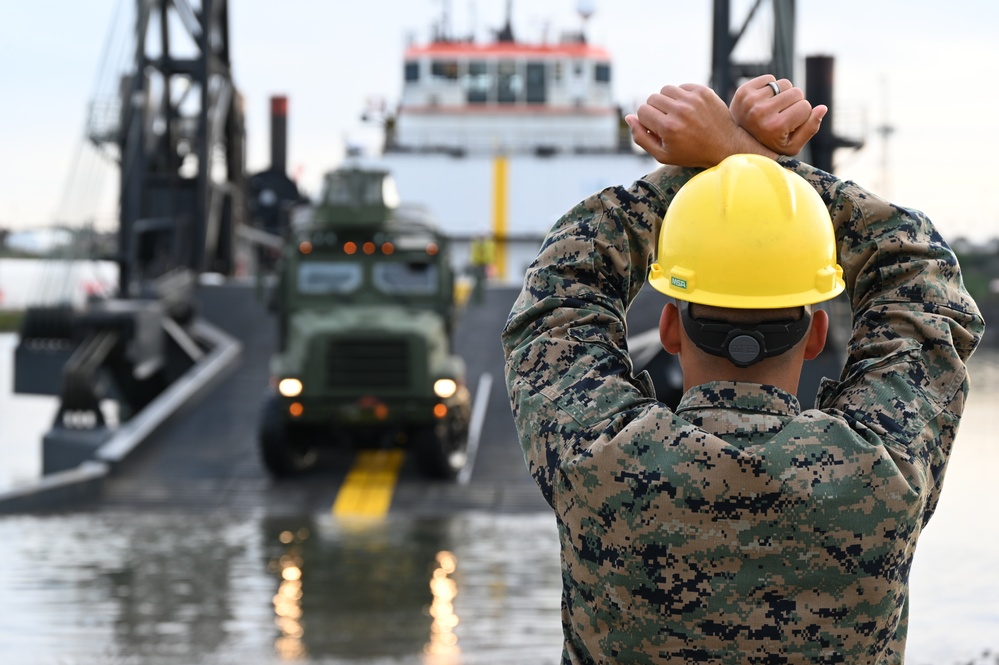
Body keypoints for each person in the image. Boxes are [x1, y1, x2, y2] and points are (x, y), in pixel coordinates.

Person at [501, 74, 984, 663]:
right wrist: (748, 159)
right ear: (816, 336)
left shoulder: (596, 458)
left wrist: (721, 159)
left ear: (671, 330)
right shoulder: (886, 470)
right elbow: (921, 276)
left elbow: (563, 282)